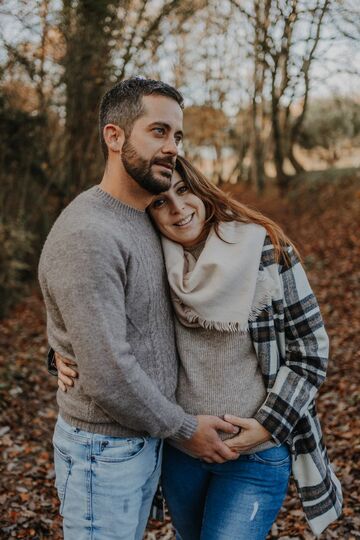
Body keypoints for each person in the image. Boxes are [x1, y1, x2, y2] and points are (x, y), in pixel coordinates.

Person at [57, 155, 342, 539]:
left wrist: (267, 427)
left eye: (183, 190)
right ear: (148, 211)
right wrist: (61, 355)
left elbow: (310, 349)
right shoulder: (151, 260)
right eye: (159, 202)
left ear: (201, 188)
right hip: (182, 452)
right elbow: (101, 328)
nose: (177, 209)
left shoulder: (264, 249)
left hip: (255, 455)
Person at [38, 78, 240, 540]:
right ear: (114, 136)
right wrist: (184, 429)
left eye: (177, 135)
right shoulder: (89, 233)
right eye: (158, 131)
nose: (172, 147)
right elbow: (108, 371)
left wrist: (61, 349)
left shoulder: (144, 215)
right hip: (103, 452)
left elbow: (104, 318)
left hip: (142, 438)